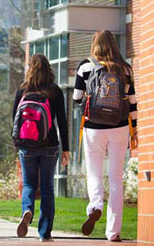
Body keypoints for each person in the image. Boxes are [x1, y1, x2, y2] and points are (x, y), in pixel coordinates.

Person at [73, 30, 138, 242]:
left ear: (95, 45)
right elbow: (132, 102)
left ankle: (95, 206)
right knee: (116, 179)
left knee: (95, 173)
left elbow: (76, 98)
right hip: (119, 127)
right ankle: (113, 232)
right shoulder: (125, 68)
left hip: (93, 127)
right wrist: (133, 130)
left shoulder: (86, 65)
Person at [12, 54, 69, 242]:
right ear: (48, 69)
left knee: (29, 184)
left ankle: (27, 210)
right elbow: (62, 122)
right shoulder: (54, 91)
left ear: (30, 70)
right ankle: (45, 233)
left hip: (26, 146)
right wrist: (66, 149)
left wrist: (17, 143)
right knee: (47, 189)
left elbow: (14, 120)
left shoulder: (23, 90)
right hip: (50, 145)